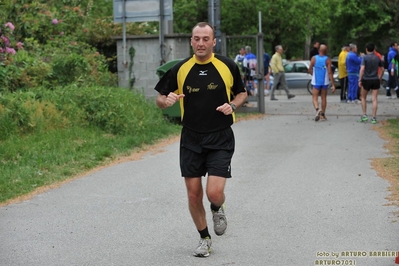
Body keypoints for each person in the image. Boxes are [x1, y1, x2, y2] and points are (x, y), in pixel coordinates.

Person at [154, 22, 247, 258]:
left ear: (214, 42)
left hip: (220, 136)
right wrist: (166, 102)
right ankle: (204, 238)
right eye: (197, 38)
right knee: (194, 194)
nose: (201, 43)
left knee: (213, 193)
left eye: (206, 39)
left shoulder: (227, 65)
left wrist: (233, 105)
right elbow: (160, 98)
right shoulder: (181, 68)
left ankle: (217, 207)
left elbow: (242, 92)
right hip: (191, 138)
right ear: (191, 41)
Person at [308, 44, 336, 121]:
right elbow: (330, 72)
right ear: (326, 51)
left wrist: (313, 74)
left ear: (319, 50)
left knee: (314, 97)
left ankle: (317, 110)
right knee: (323, 98)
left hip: (316, 81)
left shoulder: (314, 58)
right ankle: (323, 115)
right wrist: (333, 84)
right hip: (324, 82)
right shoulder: (327, 59)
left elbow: (309, 69)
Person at [358, 42, 384, 124]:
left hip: (366, 79)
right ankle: (373, 117)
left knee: (363, 97)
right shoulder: (377, 58)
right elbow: (382, 69)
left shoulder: (364, 58)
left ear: (366, 49)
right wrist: (379, 77)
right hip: (375, 79)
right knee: (374, 99)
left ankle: (364, 115)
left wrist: (360, 79)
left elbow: (362, 69)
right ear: (373, 49)